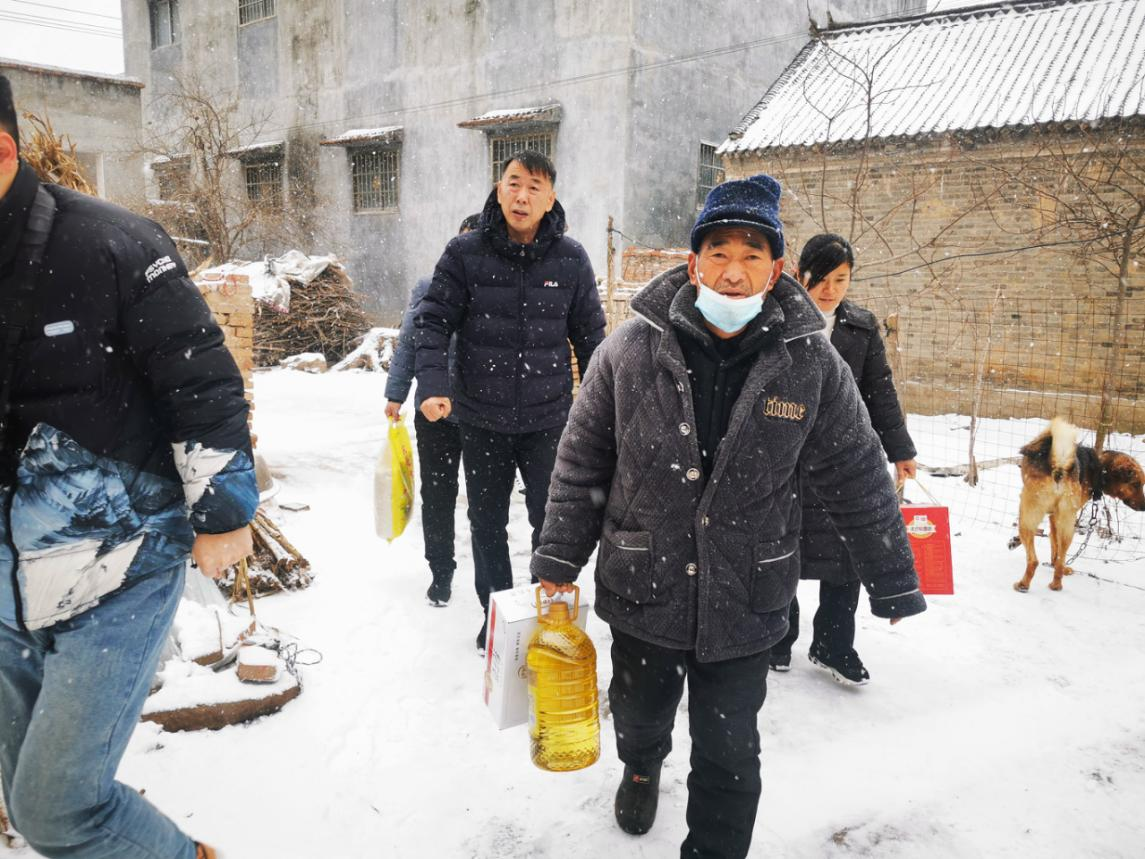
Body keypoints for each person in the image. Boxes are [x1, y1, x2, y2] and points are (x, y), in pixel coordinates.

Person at [530, 174, 926, 859]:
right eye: (718, 252)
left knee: (730, 754)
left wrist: (892, 577)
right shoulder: (627, 352)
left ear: (777, 270)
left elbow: (858, 471)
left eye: (751, 254)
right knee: (640, 713)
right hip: (642, 583)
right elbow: (580, 462)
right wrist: (558, 564)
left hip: (746, 594)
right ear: (691, 264)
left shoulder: (811, 366)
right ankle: (641, 764)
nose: (733, 272)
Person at [0, 75, 256, 859]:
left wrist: (221, 509)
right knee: (26, 789)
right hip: (8, 580)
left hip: (121, 564)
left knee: (56, 810)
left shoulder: (113, 242)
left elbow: (201, 379)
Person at [414, 150, 605, 651]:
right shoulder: (464, 253)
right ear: (499, 189)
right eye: (514, 183)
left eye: (535, 187)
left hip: (549, 418)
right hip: (481, 417)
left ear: (551, 198)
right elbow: (432, 320)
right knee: (487, 521)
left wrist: (606, 408)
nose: (522, 196)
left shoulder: (571, 259)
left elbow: (592, 338)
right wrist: (433, 384)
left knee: (553, 521)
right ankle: (495, 612)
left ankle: (548, 613)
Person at [770, 233, 918, 685]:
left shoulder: (859, 326)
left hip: (841, 457)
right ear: (800, 273)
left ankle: (833, 644)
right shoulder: (774, 317)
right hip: (782, 453)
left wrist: (901, 450)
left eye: (842, 279)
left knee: (845, 551)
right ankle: (777, 636)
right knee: (778, 547)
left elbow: (879, 391)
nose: (830, 289)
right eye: (822, 278)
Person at [384, 213, 481, 606]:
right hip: (434, 411)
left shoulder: (501, 291)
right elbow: (410, 342)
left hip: (481, 415)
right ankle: (441, 571)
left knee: (483, 502)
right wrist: (396, 392)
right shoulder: (429, 288)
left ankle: (488, 583)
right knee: (438, 495)